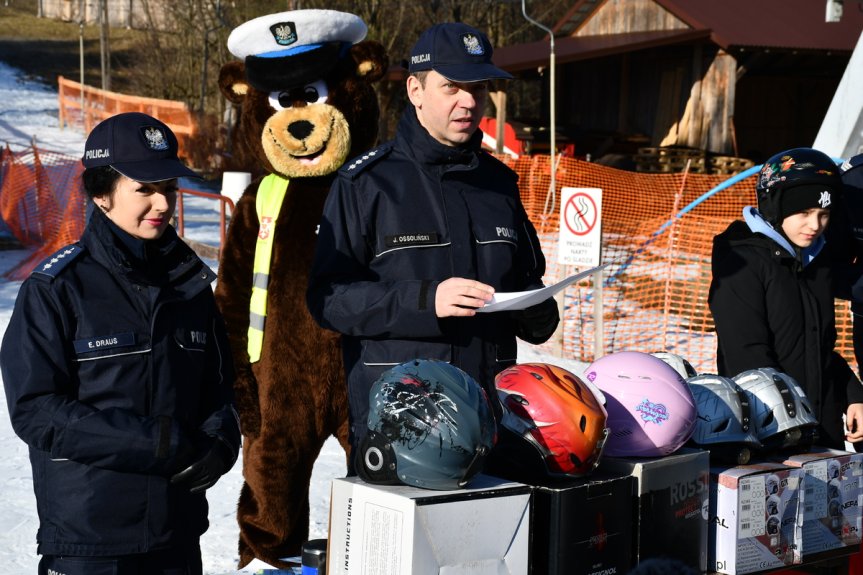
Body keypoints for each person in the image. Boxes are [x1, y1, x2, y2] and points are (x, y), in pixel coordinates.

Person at [306, 22, 559, 463]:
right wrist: (427, 299)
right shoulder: (367, 183)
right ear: (415, 90)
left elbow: (527, 286)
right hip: (402, 429)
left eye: (477, 88)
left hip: (492, 423)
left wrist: (538, 310)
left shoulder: (499, 185)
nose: (468, 101)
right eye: (451, 87)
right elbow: (329, 301)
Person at [1, 112, 241, 575]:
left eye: (168, 188)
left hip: (177, 535)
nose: (161, 203)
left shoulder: (189, 285)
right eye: (144, 189)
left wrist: (221, 443)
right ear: (100, 194)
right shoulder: (57, 289)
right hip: (91, 544)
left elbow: (220, 389)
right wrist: (157, 443)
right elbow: (36, 409)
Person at [708, 147, 863, 450]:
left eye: (824, 214)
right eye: (804, 212)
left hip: (822, 429)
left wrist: (854, 395)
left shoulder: (815, 262)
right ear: (776, 208)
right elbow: (747, 358)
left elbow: (819, 350)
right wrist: (788, 427)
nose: (815, 225)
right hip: (769, 432)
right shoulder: (742, 263)